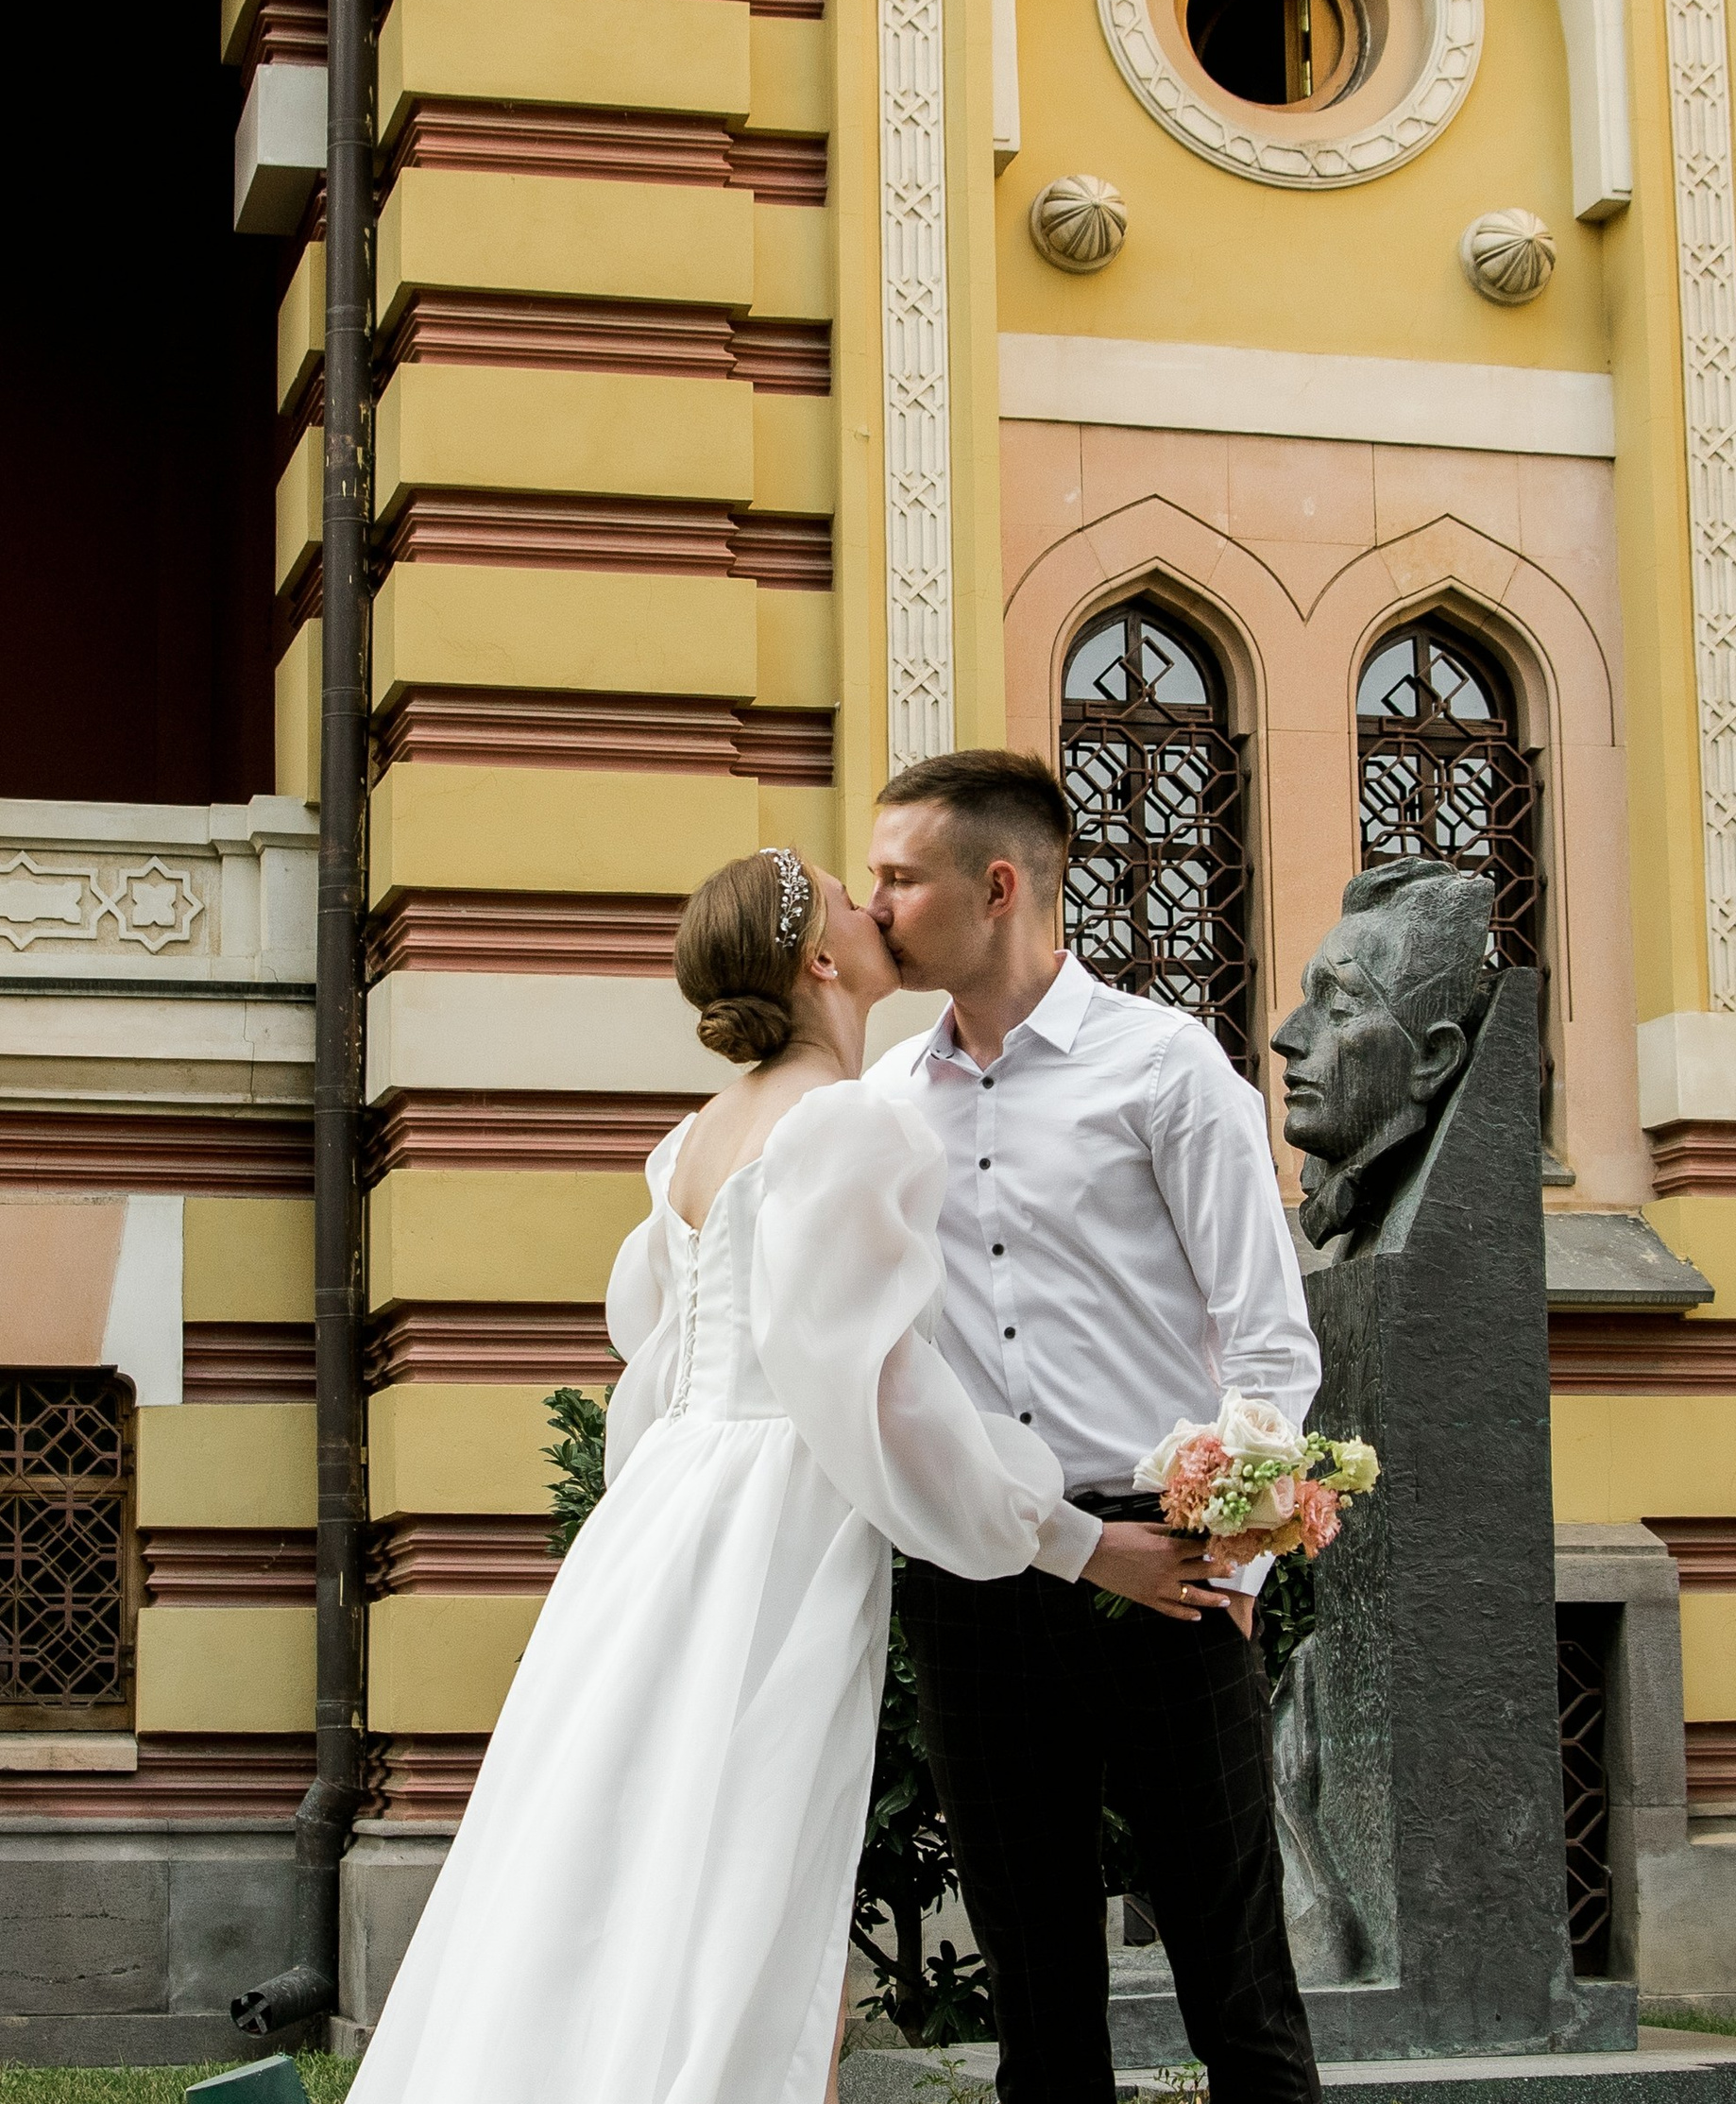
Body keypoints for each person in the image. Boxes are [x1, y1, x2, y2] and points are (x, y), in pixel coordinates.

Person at [348, 845, 1167, 2104]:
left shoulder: (693, 1141)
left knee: (630, 1867)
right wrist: (1077, 1537)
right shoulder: (846, 1124)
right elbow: (883, 1398)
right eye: (850, 894)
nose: (876, 899)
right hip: (777, 1531)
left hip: (662, 1526)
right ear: (820, 960)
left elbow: (661, 1377)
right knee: (753, 1881)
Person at [865, 749, 1325, 2104]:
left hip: (1167, 1570)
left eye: (899, 876)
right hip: (982, 1570)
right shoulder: (887, 1105)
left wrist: (1235, 1563)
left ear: (996, 887)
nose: (873, 901)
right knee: (1040, 2004)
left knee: (1235, 1985)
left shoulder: (1167, 1070)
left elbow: (1268, 1337)